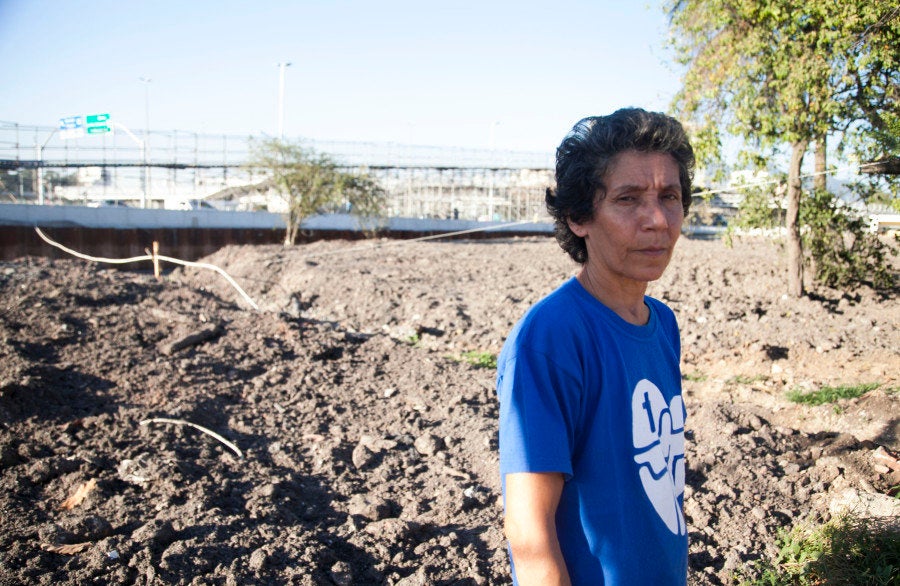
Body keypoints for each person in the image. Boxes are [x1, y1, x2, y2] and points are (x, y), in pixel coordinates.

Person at [497, 107, 695, 585]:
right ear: (579, 217)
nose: (657, 220)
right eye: (628, 199)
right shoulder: (551, 339)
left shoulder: (661, 323)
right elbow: (529, 531)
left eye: (669, 196)